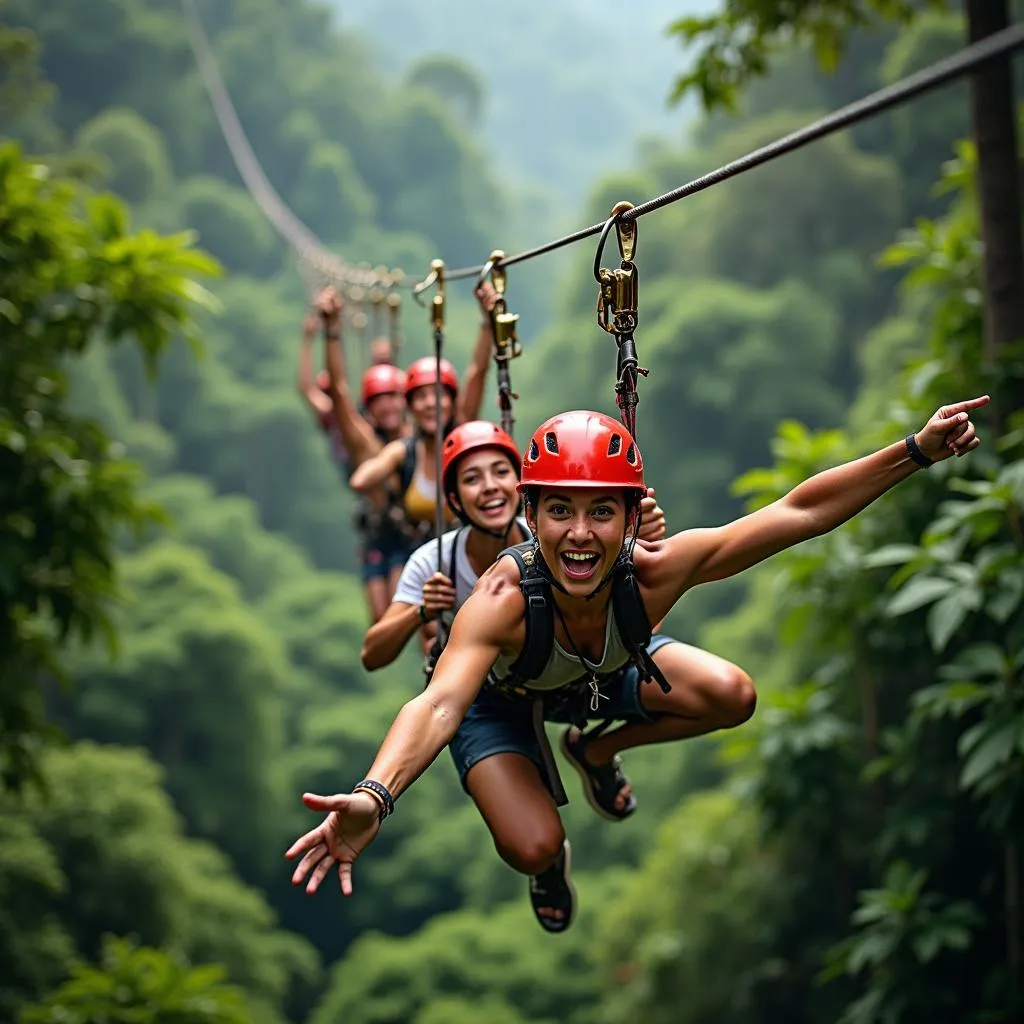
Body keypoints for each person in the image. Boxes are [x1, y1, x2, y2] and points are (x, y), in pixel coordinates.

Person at [286, 396, 988, 934]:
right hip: (499, 701)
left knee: (732, 694)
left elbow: (798, 512)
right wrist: (376, 794)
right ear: (531, 514)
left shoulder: (655, 571)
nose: (580, 535)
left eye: (602, 513)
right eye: (559, 511)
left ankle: (596, 749)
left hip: (592, 683)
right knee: (533, 846)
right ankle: (550, 863)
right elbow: (439, 704)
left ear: (631, 517)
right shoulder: (501, 597)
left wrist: (915, 452)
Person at [360, 419, 668, 672]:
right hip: (494, 690)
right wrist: (421, 611)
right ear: (454, 500)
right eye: (472, 479)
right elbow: (372, 655)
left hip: (563, 674)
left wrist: (645, 542)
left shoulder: (556, 538)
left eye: (501, 472)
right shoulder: (433, 562)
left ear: (520, 490)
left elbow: (640, 624)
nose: (490, 486)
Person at [349, 285, 499, 543]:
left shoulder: (464, 439)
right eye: (421, 397)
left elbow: (477, 372)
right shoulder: (403, 452)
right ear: (410, 408)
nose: (431, 404)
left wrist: (487, 322)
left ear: (452, 402)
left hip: (469, 550)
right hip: (420, 555)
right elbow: (361, 480)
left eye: (439, 395)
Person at [297, 287, 411, 621]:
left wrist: (384, 362)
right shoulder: (362, 437)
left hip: (405, 535)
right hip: (378, 529)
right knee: (382, 618)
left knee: (401, 613)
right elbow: (337, 391)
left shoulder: (416, 437)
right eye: (380, 400)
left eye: (394, 397)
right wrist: (328, 334)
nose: (389, 405)